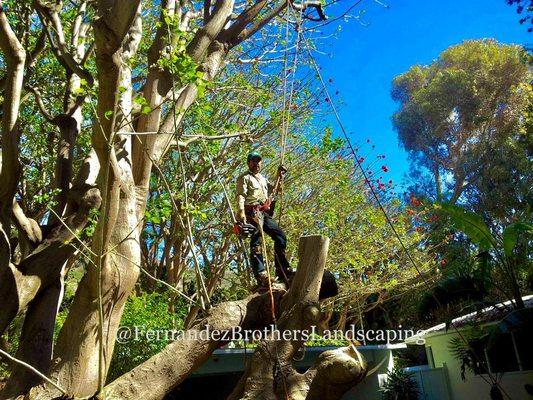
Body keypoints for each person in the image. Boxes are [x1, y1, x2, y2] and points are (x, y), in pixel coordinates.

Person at [236, 151, 292, 287]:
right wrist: (241, 213)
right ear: (249, 163)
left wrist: (279, 176)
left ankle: (282, 269)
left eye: (258, 161)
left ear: (261, 163)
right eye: (253, 161)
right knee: (256, 243)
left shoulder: (262, 179)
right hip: (251, 212)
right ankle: (261, 274)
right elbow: (240, 195)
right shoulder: (244, 178)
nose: (256, 164)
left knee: (280, 236)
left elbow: (274, 190)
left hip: (263, 212)